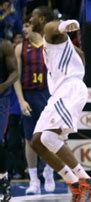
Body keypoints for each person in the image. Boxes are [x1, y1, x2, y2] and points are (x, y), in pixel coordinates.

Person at [28, 7, 91, 201]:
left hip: (69, 90)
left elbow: (54, 27)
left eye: (33, 17)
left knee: (49, 138)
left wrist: (65, 25)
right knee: (37, 140)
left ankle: (87, 181)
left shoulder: (50, 31)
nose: (30, 19)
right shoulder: (55, 42)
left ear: (41, 18)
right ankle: (74, 183)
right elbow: (80, 54)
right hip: (61, 92)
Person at [13, 21, 55, 195]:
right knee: (30, 140)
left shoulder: (50, 45)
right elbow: (16, 76)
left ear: (36, 26)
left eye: (28, 25)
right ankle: (34, 180)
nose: (24, 29)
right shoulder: (19, 48)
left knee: (50, 135)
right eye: (23, 26)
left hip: (47, 94)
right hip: (29, 94)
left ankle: (49, 171)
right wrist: (21, 100)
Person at [0, 37, 19, 202]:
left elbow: (15, 72)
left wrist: (3, 85)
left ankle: (3, 179)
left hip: (1, 97)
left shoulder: (4, 45)